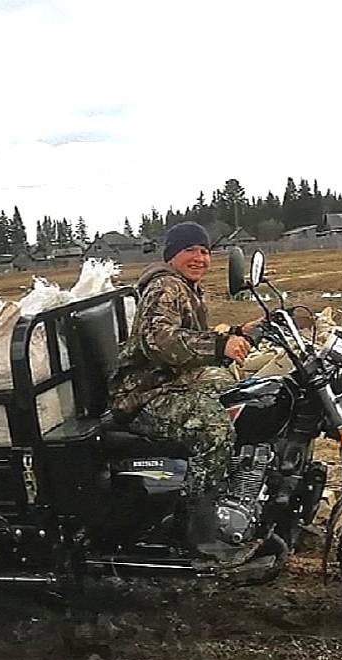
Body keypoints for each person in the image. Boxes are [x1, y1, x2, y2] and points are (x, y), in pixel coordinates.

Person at [110, 222, 256, 564]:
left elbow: (189, 338)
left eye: (205, 251)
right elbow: (159, 341)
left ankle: (242, 495)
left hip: (173, 382)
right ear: (172, 254)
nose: (200, 258)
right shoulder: (165, 287)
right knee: (215, 431)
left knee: (243, 397)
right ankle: (193, 528)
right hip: (145, 394)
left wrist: (239, 332)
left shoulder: (186, 287)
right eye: (190, 250)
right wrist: (220, 345)